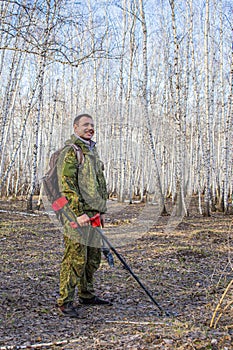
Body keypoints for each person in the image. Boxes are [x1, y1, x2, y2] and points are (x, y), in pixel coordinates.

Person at [56, 113, 112, 318]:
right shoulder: (70, 153)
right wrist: (76, 214)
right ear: (75, 127)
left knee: (92, 257)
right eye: (85, 125)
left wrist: (99, 211)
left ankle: (86, 294)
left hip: (92, 215)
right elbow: (66, 187)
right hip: (76, 216)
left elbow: (97, 184)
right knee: (75, 258)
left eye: (92, 125)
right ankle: (65, 301)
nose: (90, 128)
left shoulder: (92, 150)